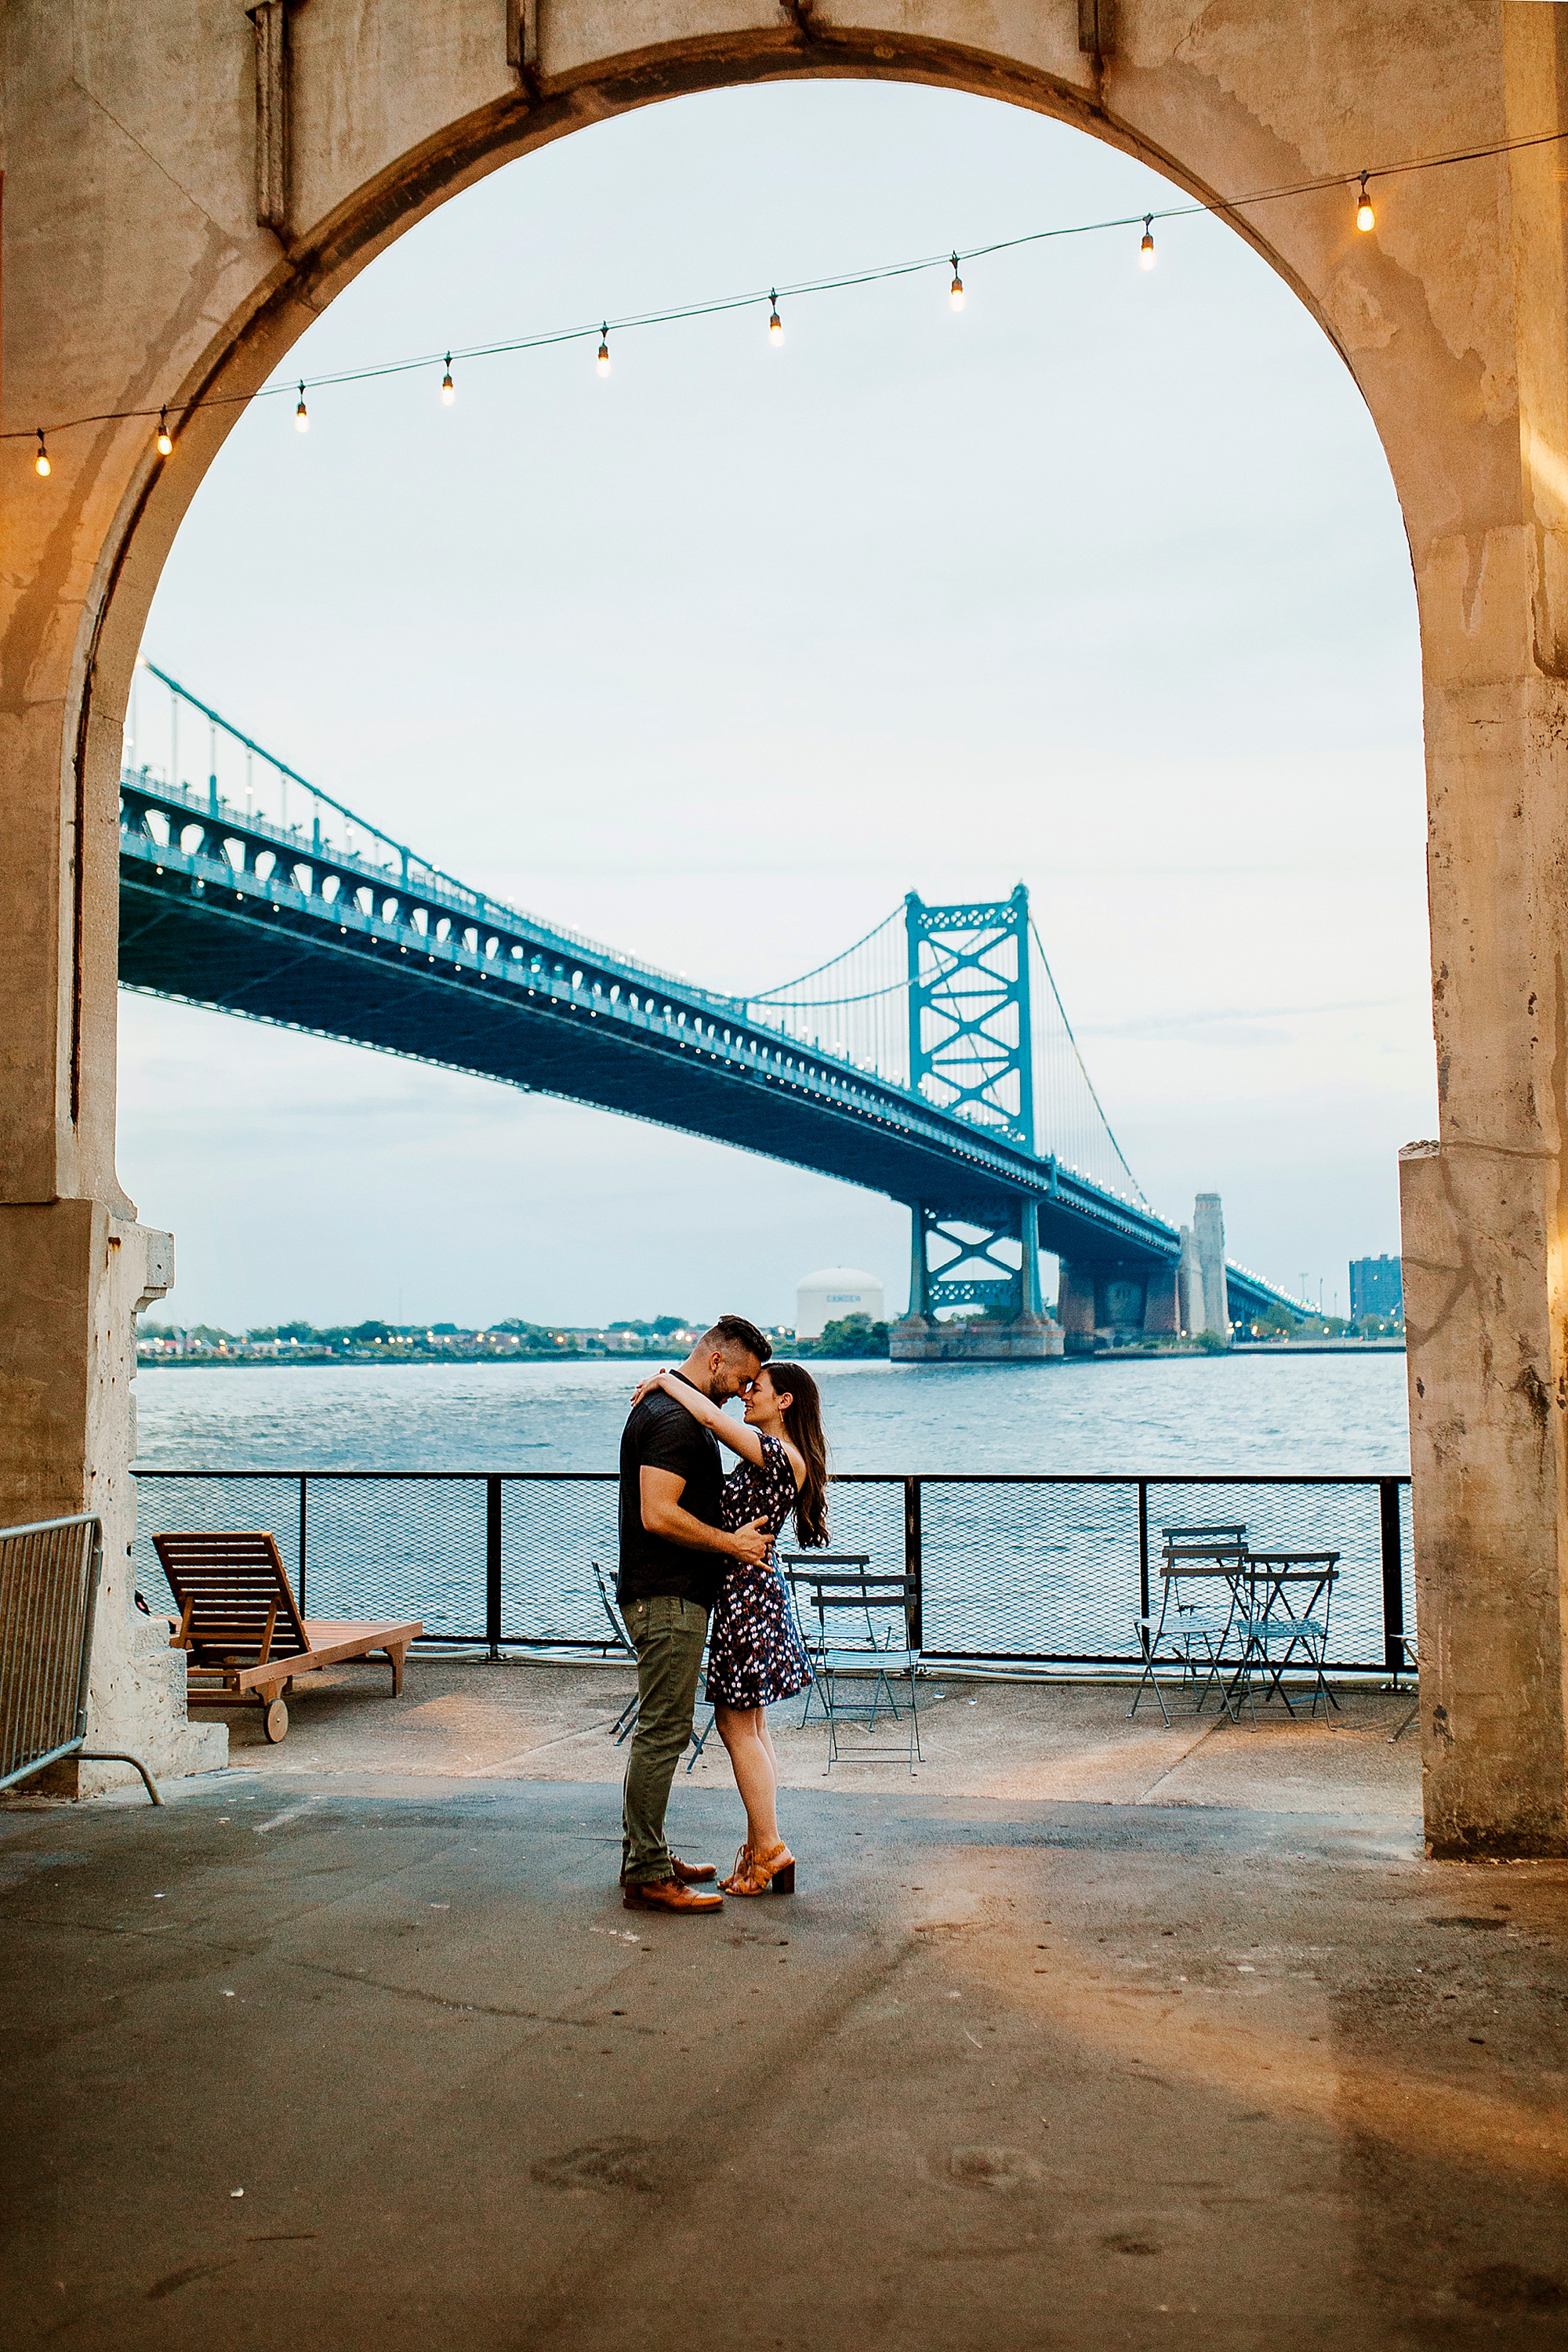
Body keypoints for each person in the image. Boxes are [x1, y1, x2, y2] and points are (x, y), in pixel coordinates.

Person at [628, 1356, 828, 1897]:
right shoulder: (785, 1455)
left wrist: (669, 1381)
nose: (746, 1394)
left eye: (756, 1388)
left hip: (746, 1598)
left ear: (784, 1400)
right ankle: (760, 1848)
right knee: (752, 1728)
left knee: (736, 1727)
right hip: (754, 1594)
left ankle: (770, 1849)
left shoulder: (778, 1453)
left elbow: (714, 1423)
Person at [617, 1315, 772, 1914]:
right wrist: (731, 1543)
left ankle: (646, 1852)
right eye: (742, 1377)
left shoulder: (670, 1408)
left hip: (670, 1594)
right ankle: (649, 1875)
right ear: (715, 1362)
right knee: (663, 1733)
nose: (742, 1390)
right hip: (668, 1598)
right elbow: (658, 1514)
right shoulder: (675, 1421)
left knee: (661, 1731)